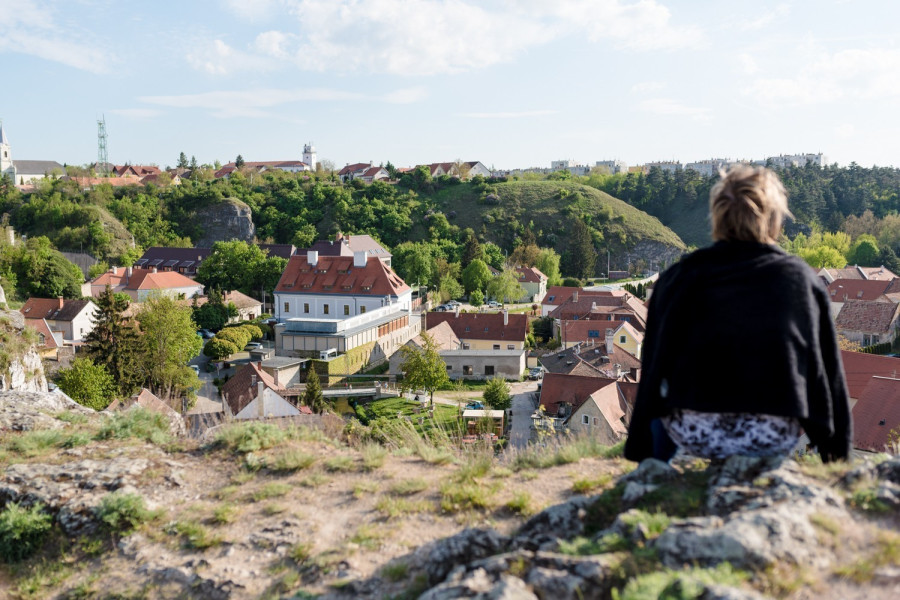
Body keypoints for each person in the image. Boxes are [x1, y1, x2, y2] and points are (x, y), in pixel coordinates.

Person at [624, 165, 852, 463]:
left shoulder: (679, 276)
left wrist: (639, 452)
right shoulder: (801, 280)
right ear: (774, 218)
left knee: (665, 380)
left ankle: (658, 470)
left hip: (694, 431)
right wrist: (835, 453)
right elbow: (827, 376)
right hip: (770, 433)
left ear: (717, 215)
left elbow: (654, 367)